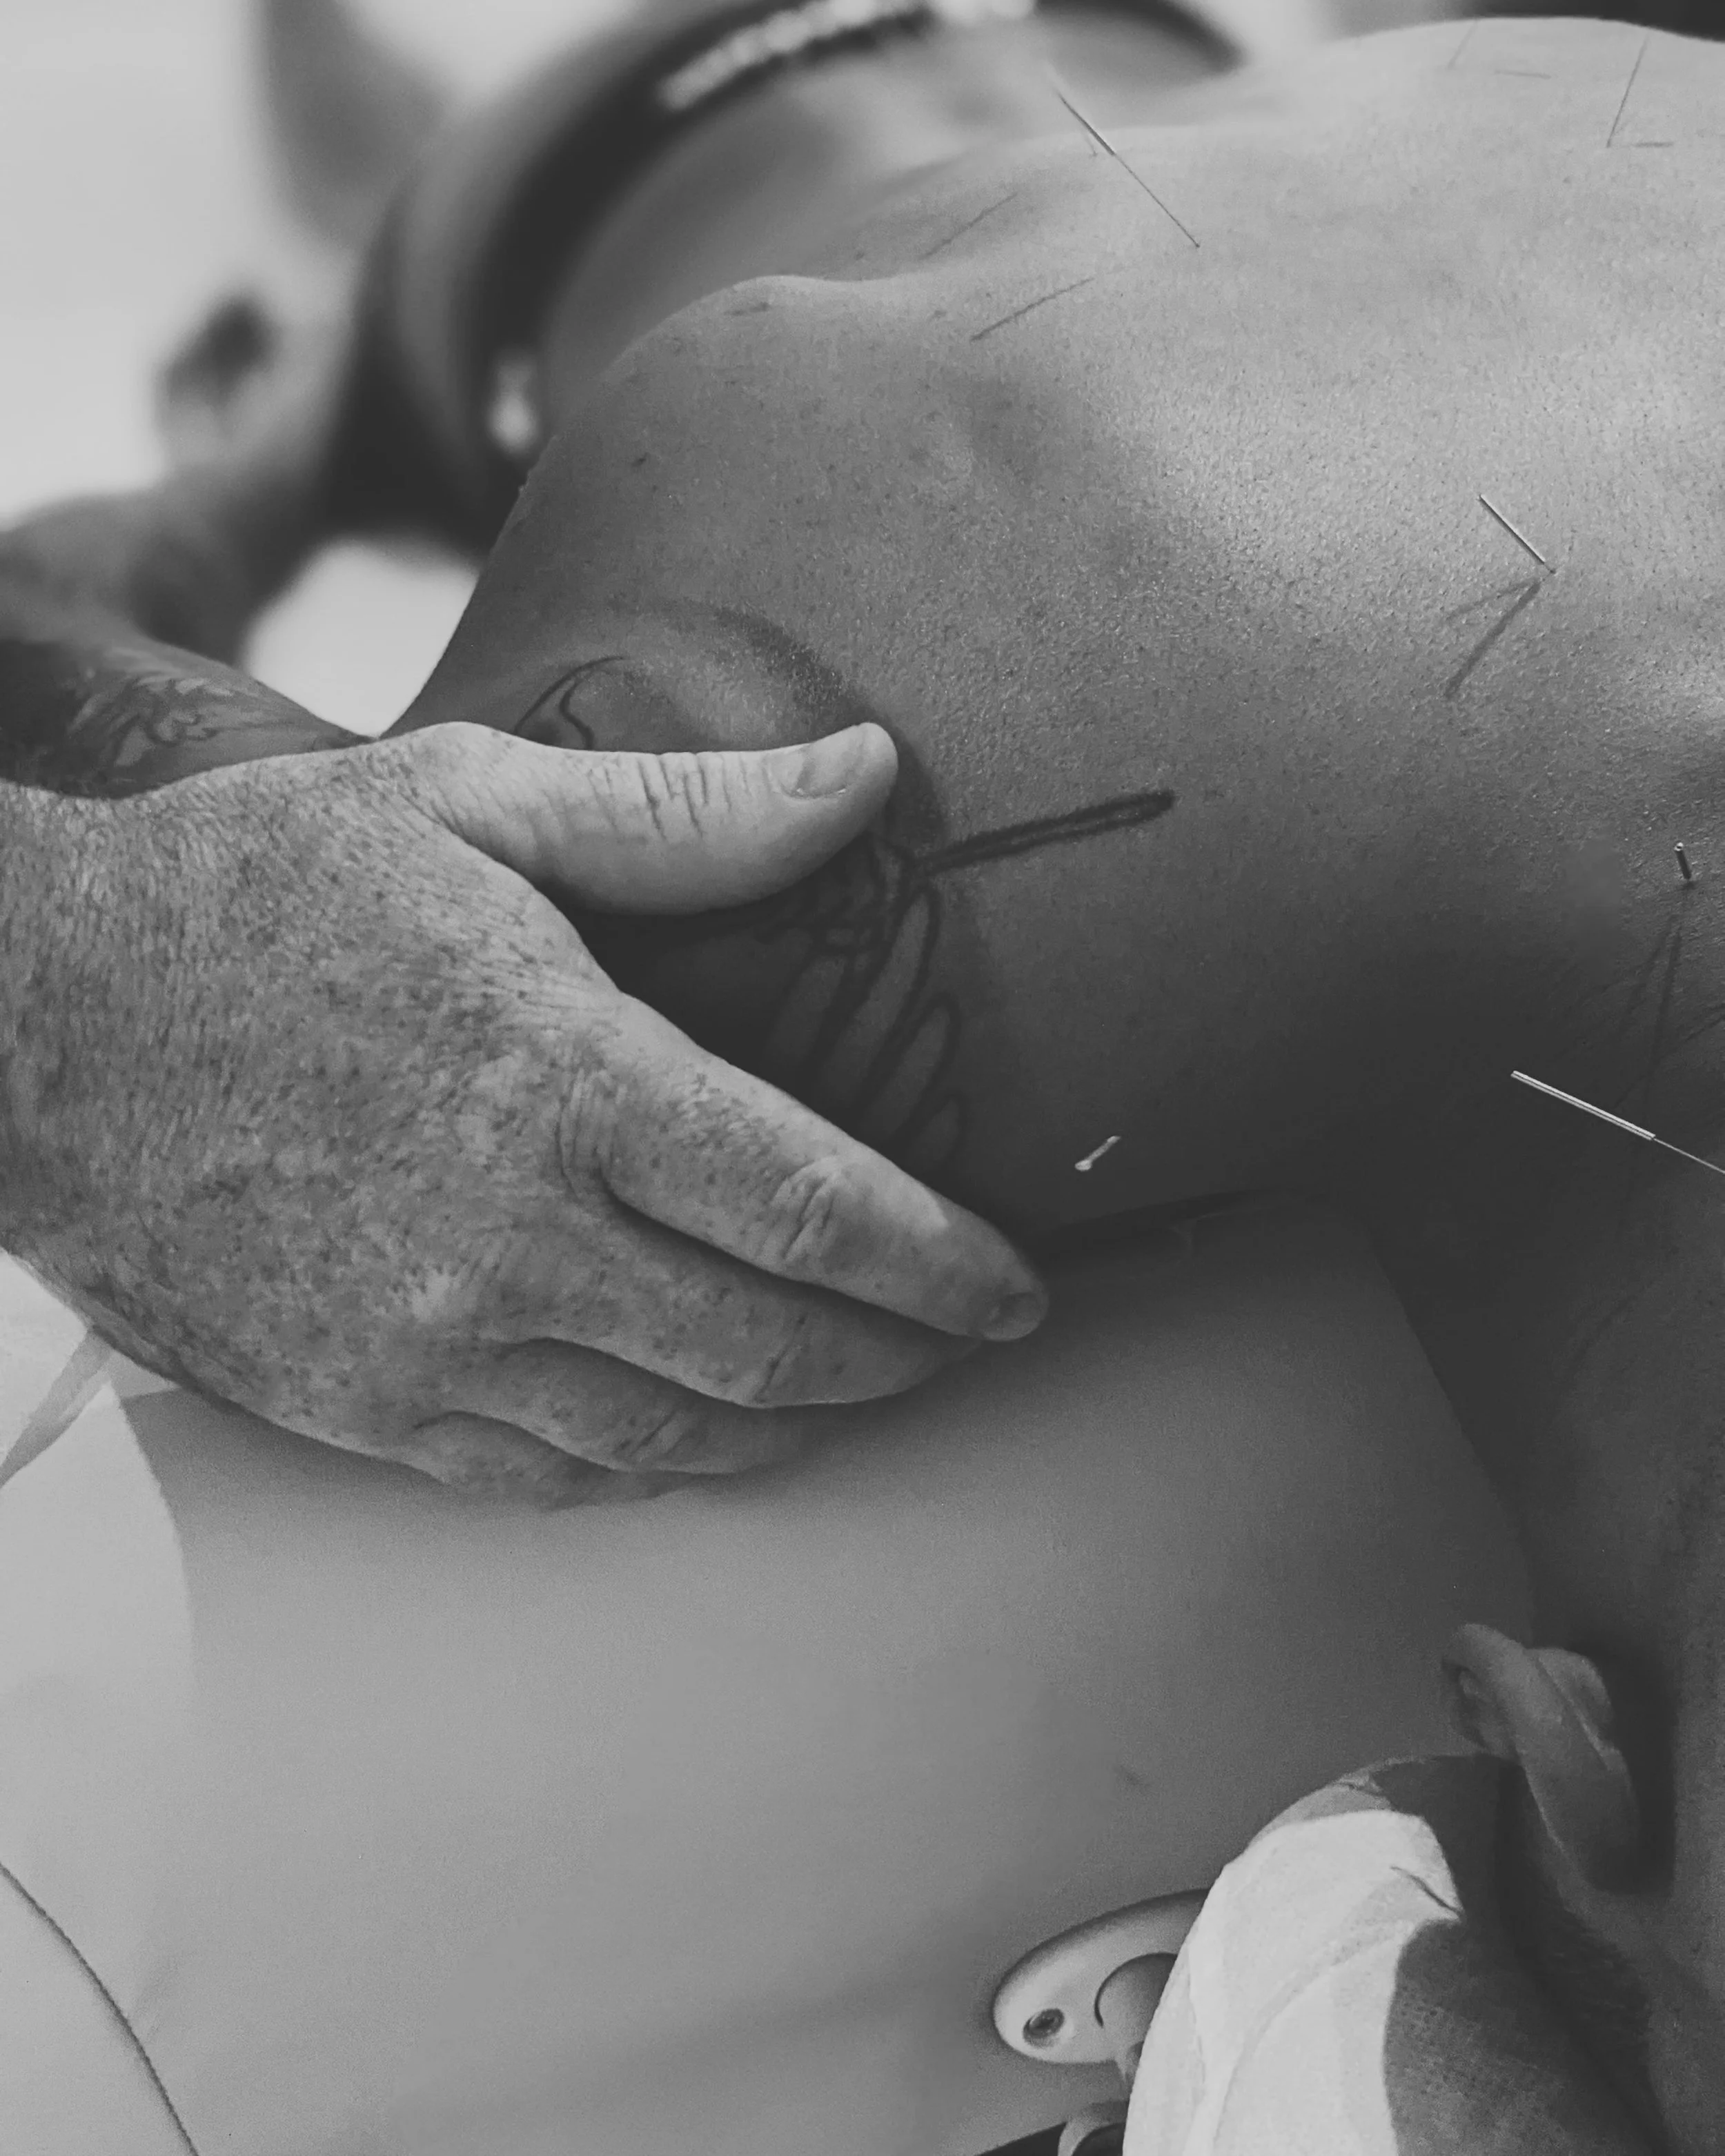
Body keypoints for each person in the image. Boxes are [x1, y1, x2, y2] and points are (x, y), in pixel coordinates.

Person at [3, 7, 1722, 2151]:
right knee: (371, 195)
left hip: (1427, 123)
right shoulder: (881, 890)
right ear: (1548, 1749)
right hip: (609, 208)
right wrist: (151, 605)